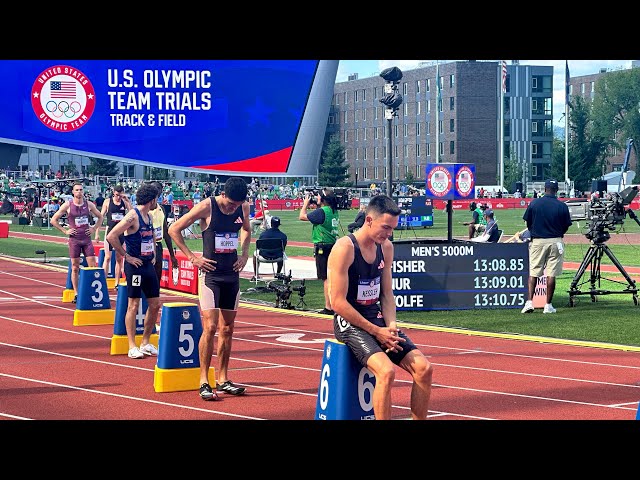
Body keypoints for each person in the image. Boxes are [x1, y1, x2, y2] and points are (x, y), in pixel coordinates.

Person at [327, 194, 433, 420]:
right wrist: (377, 331)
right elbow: (336, 302)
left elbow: (386, 293)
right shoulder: (344, 248)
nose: (389, 234)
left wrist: (391, 326)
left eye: (392, 228)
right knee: (386, 372)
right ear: (368, 220)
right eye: (386, 227)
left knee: (424, 369)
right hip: (349, 322)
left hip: (376, 319)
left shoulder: (386, 248)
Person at [168, 176, 251, 400]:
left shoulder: (242, 206)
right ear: (223, 195)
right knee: (211, 326)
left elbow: (246, 230)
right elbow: (174, 229)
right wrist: (193, 258)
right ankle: (204, 379)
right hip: (211, 276)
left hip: (231, 275)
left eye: (237, 205)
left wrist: (244, 254)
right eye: (231, 204)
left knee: (227, 329)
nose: (234, 208)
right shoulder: (207, 206)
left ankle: (223, 378)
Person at [106, 183, 162, 359]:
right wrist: (126, 256)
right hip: (134, 267)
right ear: (152, 199)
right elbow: (111, 235)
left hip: (147, 265)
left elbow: (152, 235)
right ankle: (132, 346)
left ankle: (145, 342)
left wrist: (152, 252)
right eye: (156, 199)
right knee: (134, 304)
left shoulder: (149, 216)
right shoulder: (133, 216)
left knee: (154, 304)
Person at [521, 179, 573, 314]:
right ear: (556, 190)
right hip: (555, 240)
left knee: (534, 272)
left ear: (545, 189)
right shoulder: (561, 206)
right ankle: (548, 305)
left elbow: (528, 223)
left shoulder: (535, 203)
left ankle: (529, 302)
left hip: (538, 241)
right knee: (551, 274)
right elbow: (566, 225)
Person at [50, 182, 104, 304]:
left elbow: (100, 217)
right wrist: (65, 231)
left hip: (86, 240)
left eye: (81, 189)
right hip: (74, 240)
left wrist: (94, 229)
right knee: (75, 267)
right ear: (73, 192)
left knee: (92, 266)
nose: (79, 192)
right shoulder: (67, 205)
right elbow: (53, 220)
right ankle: (76, 293)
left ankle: (91, 292)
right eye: (77, 190)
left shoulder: (88, 204)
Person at [299, 188, 340, 315]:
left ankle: (328, 307)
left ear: (322, 199)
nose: (316, 198)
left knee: (325, 278)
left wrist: (305, 204)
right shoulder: (333, 211)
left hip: (323, 246)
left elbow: (302, 216)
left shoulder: (322, 211)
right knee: (333, 277)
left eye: (318, 197)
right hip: (333, 245)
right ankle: (336, 305)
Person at [95, 185, 132, 290]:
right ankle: (103, 281)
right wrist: (97, 233)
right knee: (107, 257)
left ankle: (117, 283)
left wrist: (127, 201)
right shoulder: (107, 202)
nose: (118, 197)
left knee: (119, 259)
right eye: (116, 195)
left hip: (120, 232)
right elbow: (100, 218)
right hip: (110, 231)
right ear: (113, 192)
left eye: (120, 195)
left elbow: (132, 213)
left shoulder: (124, 202)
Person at [149, 182, 179, 284]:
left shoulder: (161, 209)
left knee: (157, 279)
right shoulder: (144, 210)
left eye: (158, 191)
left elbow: (166, 232)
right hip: (146, 247)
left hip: (158, 246)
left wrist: (172, 255)